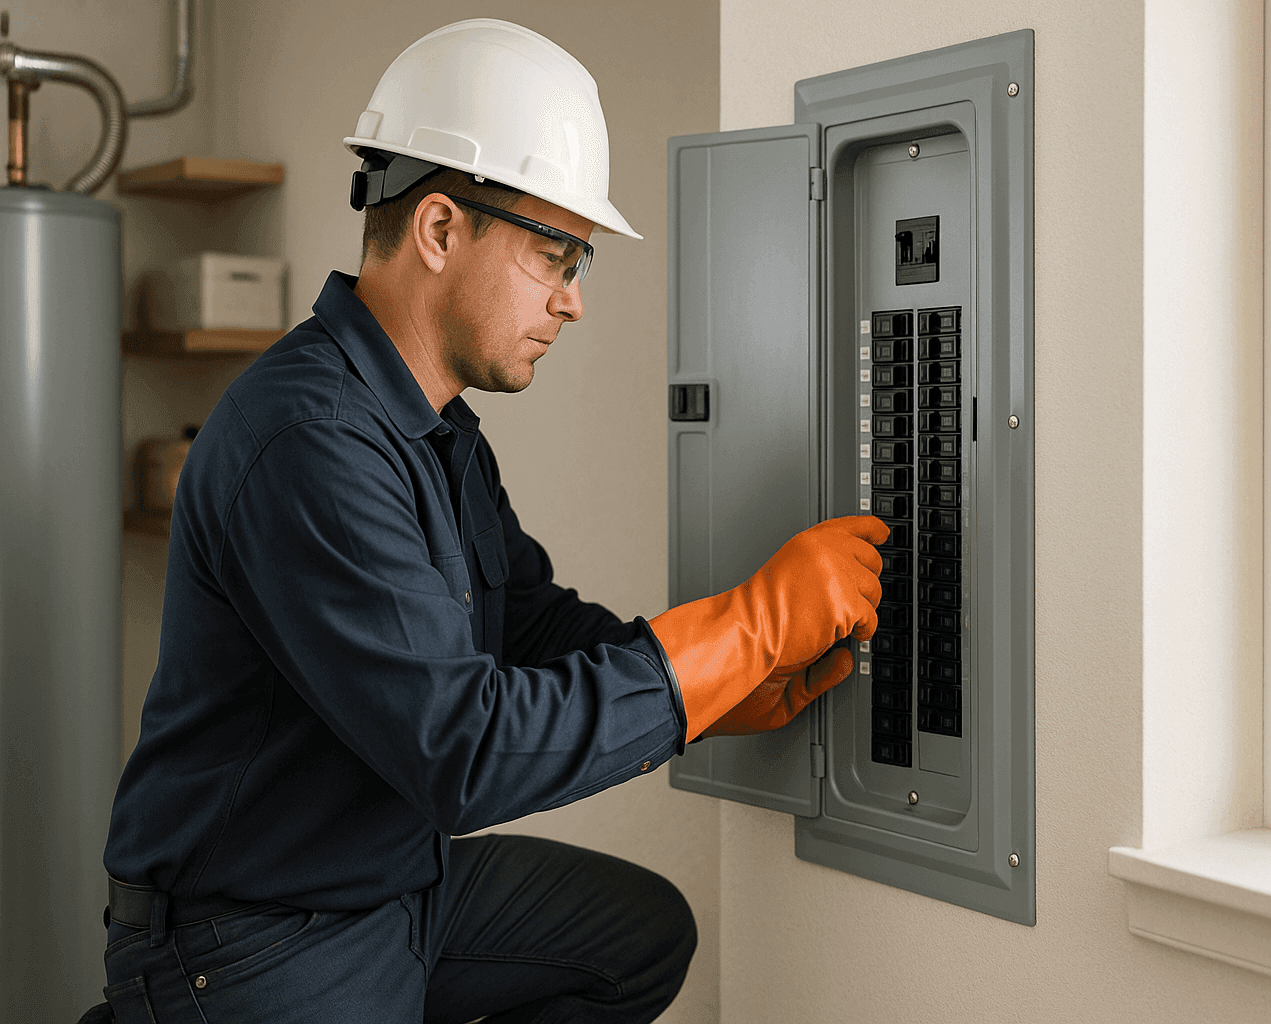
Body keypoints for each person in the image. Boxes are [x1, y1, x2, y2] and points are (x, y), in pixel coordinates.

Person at [91, 19, 886, 1024]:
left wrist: (720, 690)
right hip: (250, 937)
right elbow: (465, 752)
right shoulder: (309, 441)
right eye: (557, 255)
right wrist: (746, 628)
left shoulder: (438, 431)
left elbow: (532, 628)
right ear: (436, 228)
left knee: (637, 940)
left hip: (394, 883)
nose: (573, 301)